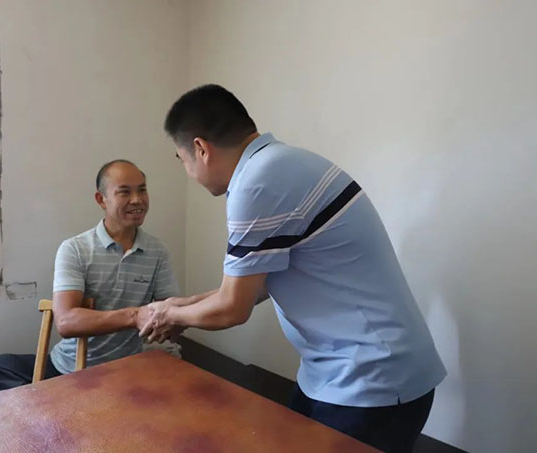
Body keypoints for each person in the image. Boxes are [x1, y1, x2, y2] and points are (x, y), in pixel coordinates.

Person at [139, 84, 446, 452]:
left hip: (371, 380)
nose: (188, 173)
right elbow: (256, 285)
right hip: (340, 371)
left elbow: (232, 308)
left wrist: (168, 312)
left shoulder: (256, 182)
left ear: (201, 149)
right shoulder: (282, 162)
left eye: (182, 160)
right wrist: (183, 306)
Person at [0, 160, 179, 392]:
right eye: (125, 192)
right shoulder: (75, 249)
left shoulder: (157, 251)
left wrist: (182, 316)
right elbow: (66, 322)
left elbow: (170, 311)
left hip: (124, 368)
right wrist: (134, 315)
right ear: (101, 200)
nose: (137, 200)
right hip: (67, 368)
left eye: (142, 190)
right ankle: (54, 404)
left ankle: (55, 405)